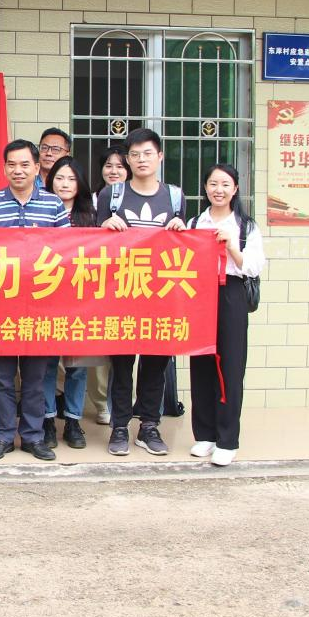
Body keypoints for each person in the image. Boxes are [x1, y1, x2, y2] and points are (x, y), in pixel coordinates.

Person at [0, 138, 69, 462]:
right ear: (4, 168)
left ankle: (32, 436)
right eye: (12, 164)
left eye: (25, 164)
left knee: (35, 378)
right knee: (1, 378)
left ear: (36, 167)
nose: (18, 170)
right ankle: (2, 436)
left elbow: (68, 252)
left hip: (41, 307)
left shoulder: (53, 205)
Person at [98, 127, 186, 457]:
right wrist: (103, 228)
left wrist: (181, 230)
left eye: (148, 153)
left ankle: (149, 425)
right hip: (121, 294)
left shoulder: (175, 197)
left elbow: (183, 250)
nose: (141, 160)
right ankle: (120, 426)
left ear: (160, 156)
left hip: (161, 297)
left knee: (155, 365)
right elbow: (95, 247)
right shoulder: (112, 196)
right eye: (134, 154)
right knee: (121, 365)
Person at [187, 164, 265, 466]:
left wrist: (232, 246)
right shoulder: (196, 221)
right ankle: (205, 435)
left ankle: (227, 440)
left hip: (231, 294)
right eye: (212, 184)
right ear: (205, 187)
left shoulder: (246, 226)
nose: (218, 190)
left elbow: (253, 266)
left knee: (230, 366)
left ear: (235, 189)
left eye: (225, 184)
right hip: (200, 295)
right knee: (201, 363)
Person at [42, 156, 102, 451]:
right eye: (59, 178)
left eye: (71, 179)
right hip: (47, 300)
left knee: (78, 366)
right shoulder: (40, 211)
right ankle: (47, 420)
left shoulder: (92, 216)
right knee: (46, 364)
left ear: (80, 184)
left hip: (81, 302)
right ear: (50, 181)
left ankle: (73, 421)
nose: (65, 184)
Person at [87, 145, 131, 426]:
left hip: (130, 281)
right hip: (96, 283)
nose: (113, 171)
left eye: (120, 166)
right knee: (98, 345)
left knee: (126, 346)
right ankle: (102, 403)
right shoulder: (91, 199)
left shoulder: (136, 198)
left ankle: (125, 404)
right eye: (108, 165)